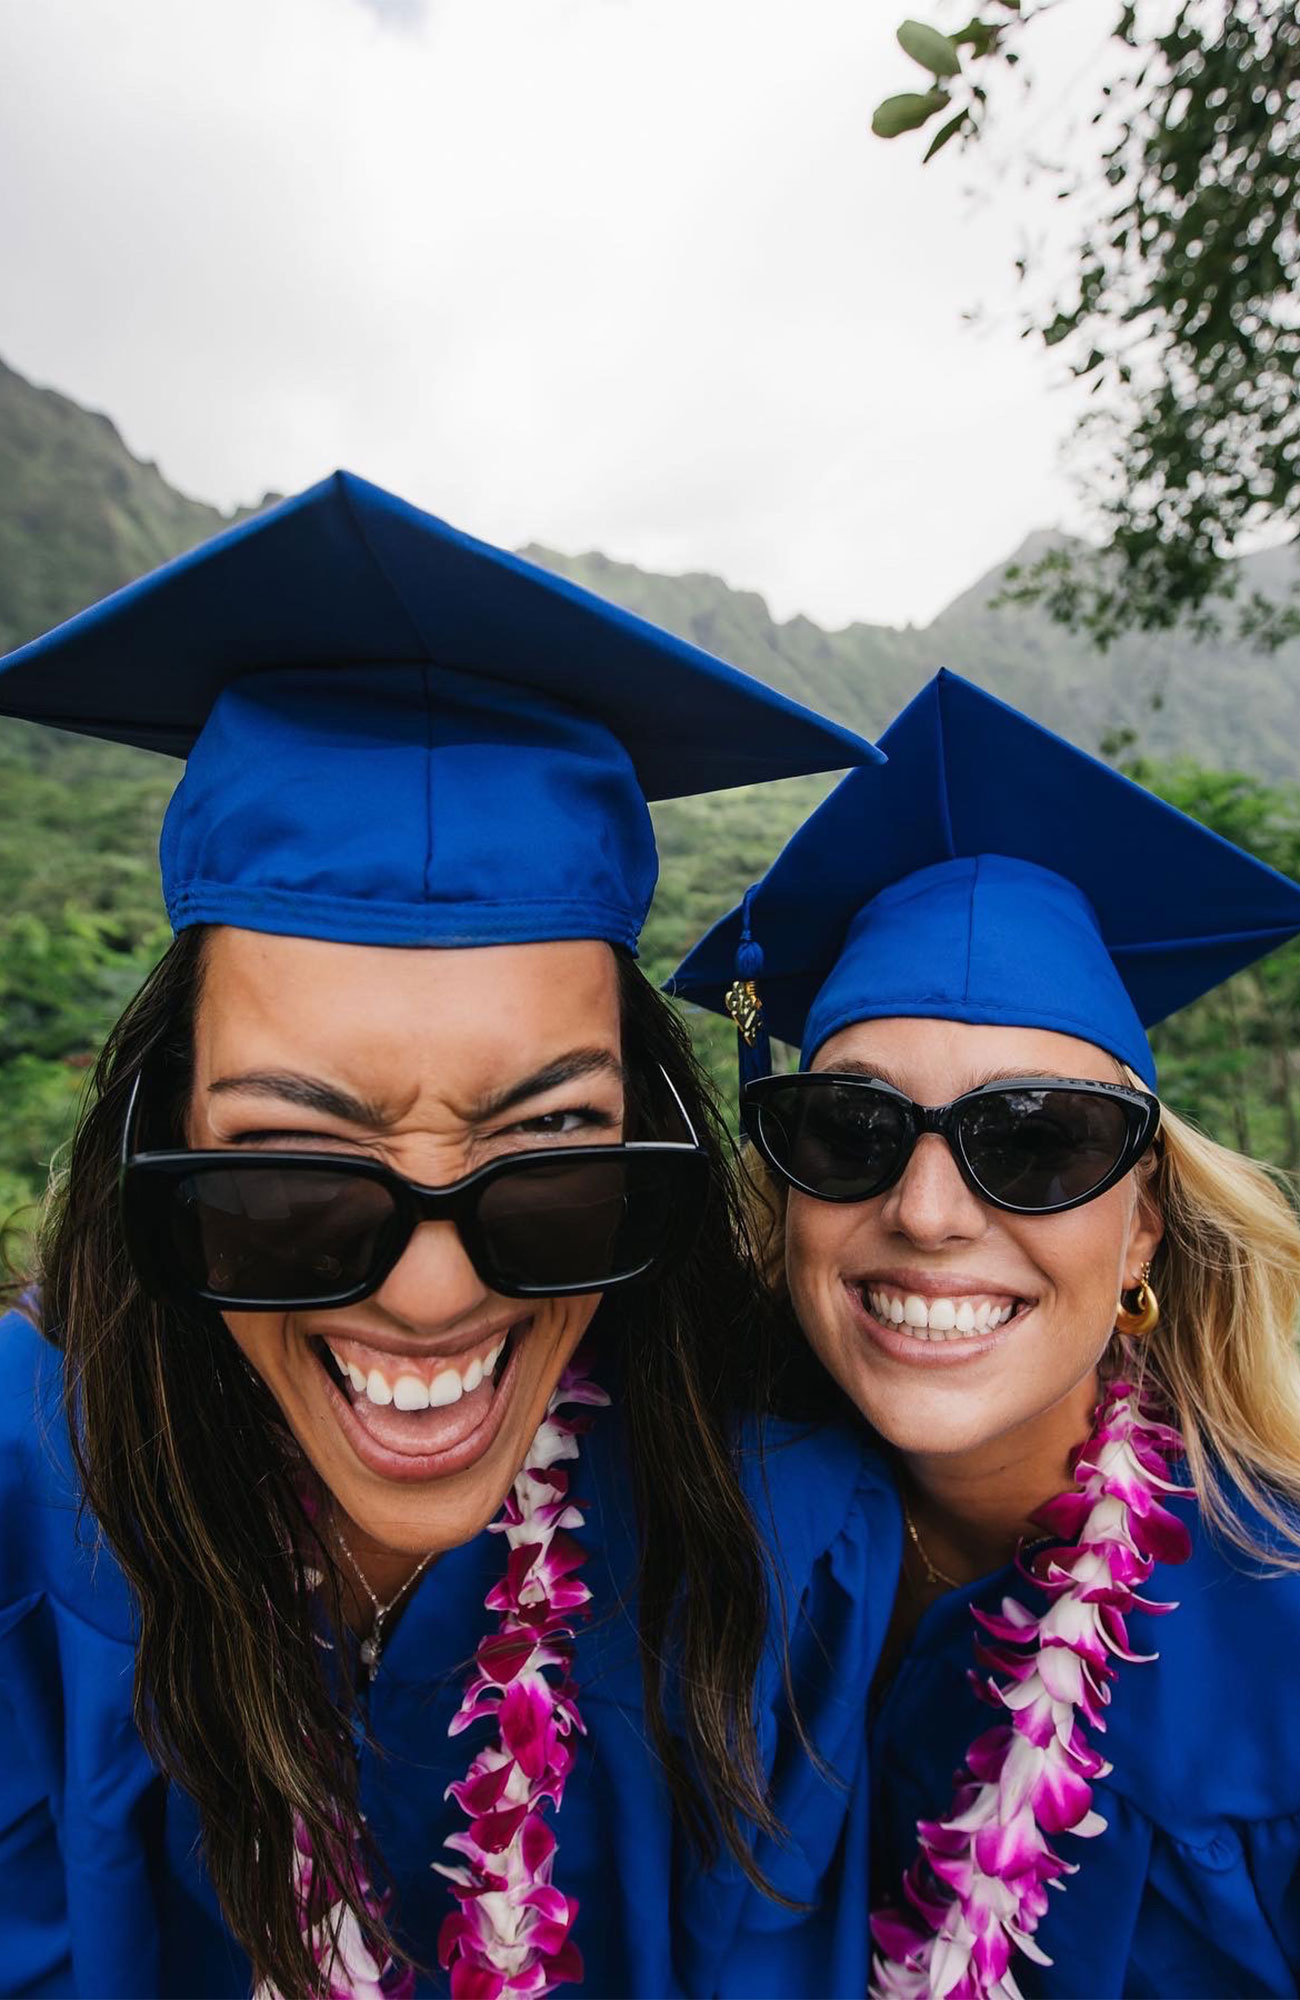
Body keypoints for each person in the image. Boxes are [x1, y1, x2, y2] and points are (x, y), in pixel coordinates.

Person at [0, 472, 891, 2000]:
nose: (432, 1292)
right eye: (291, 1175)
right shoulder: (22, 1495)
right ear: (163, 1138)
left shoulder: (770, 1549)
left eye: (549, 1156)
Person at [674, 668, 1300, 1998]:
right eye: (851, 1131)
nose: (928, 1213)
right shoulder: (686, 1543)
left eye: (1037, 1142)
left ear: (1142, 1226)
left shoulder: (1278, 1651)